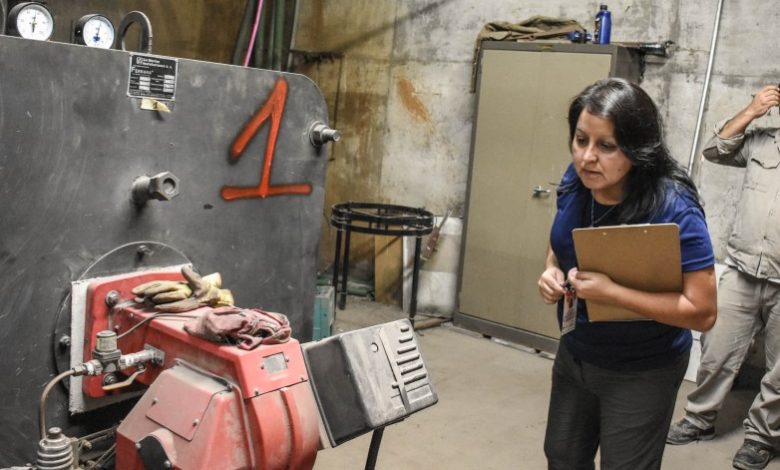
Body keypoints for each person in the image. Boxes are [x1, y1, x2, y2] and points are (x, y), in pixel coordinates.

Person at [537, 77, 717, 470]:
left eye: (606, 146)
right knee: (562, 457)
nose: (587, 157)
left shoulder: (674, 208)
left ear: (637, 148)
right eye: (580, 140)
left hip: (643, 368)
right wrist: (551, 270)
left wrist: (613, 293)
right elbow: (561, 239)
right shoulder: (577, 179)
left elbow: (702, 312)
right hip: (577, 352)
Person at [667, 84, 780, 470]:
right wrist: (751, 111)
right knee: (716, 351)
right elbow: (715, 149)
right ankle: (699, 419)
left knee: (779, 372)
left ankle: (761, 437)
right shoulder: (763, 140)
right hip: (743, 269)